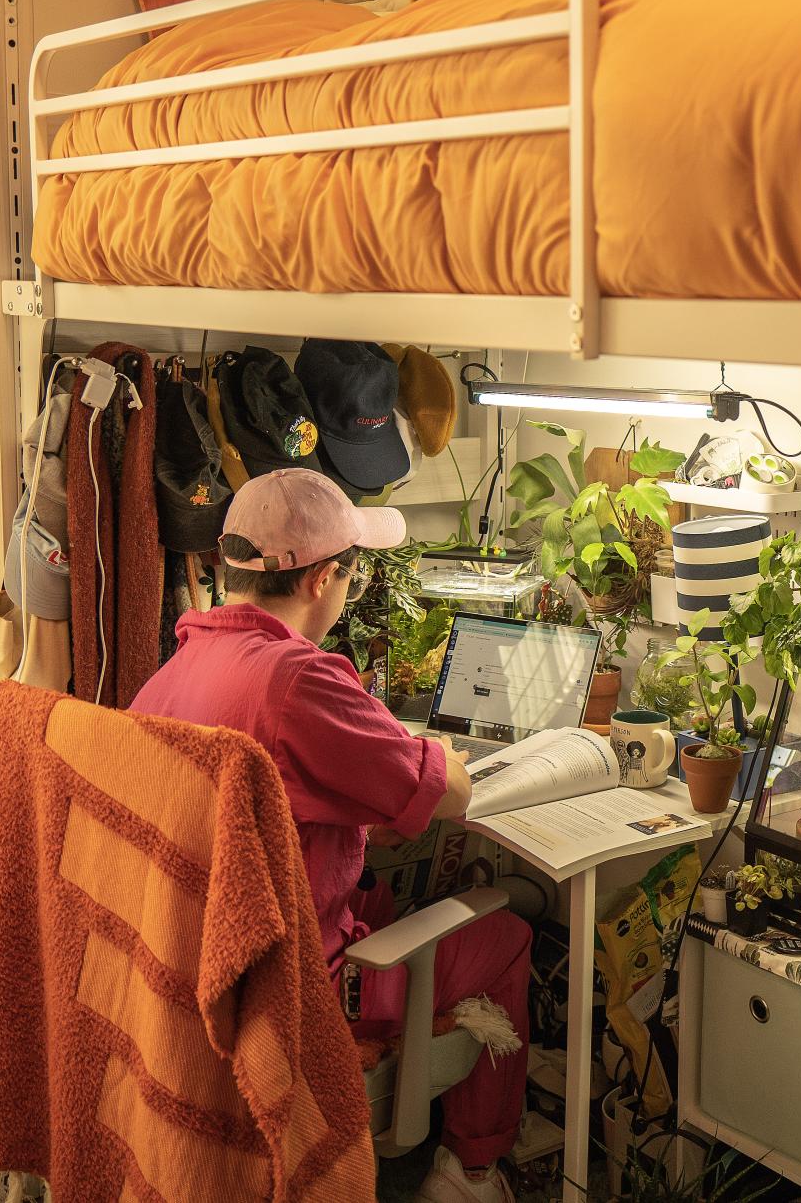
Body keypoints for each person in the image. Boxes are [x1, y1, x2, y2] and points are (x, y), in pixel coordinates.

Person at [131, 468, 529, 1203]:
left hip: (197, 965)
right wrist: (441, 758)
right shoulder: (297, 680)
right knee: (503, 933)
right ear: (323, 580)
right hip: (296, 982)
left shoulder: (176, 671)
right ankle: (470, 1172)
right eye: (350, 571)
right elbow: (449, 790)